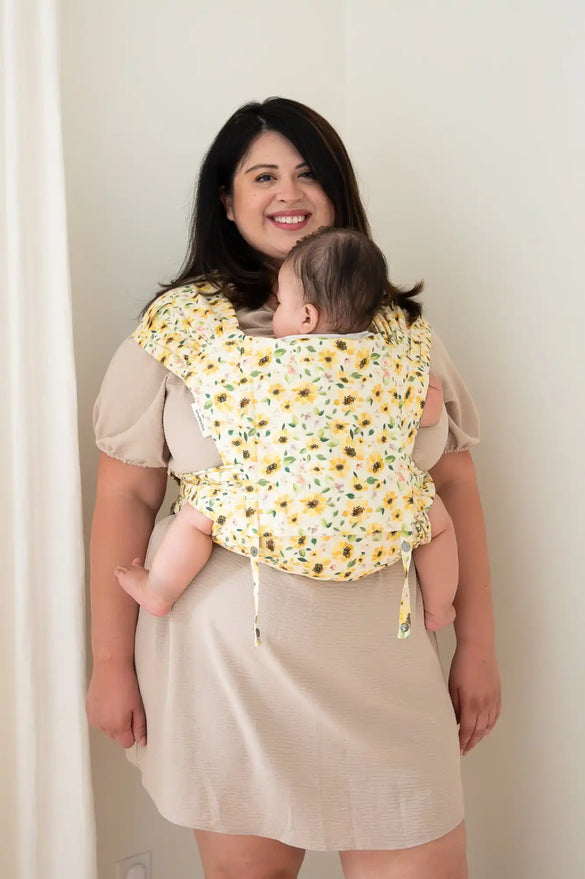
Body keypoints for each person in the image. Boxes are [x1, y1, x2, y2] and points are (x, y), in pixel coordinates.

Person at [87, 97, 501, 879]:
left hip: (387, 657)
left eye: (309, 173)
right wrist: (110, 662)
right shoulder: (176, 326)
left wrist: (476, 644)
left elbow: (452, 487)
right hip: (230, 665)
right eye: (264, 174)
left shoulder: (398, 328)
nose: (289, 192)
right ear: (226, 196)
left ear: (337, 191)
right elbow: (126, 500)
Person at [114, 227, 457, 634]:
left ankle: (159, 591)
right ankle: (439, 608)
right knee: (437, 523)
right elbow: (430, 412)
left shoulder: (260, 363)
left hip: (277, 519)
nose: (275, 311)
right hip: (376, 521)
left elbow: (218, 398)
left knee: (197, 517)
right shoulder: (395, 359)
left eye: (280, 302)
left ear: (306, 316)